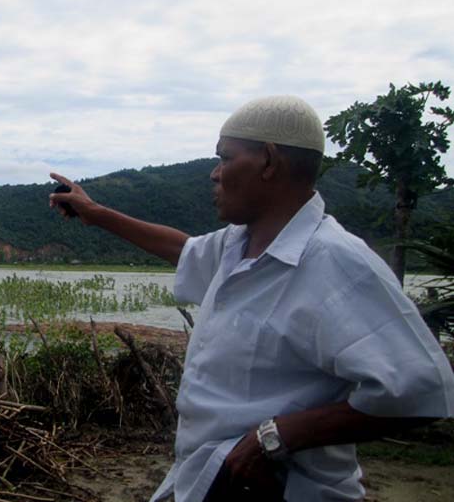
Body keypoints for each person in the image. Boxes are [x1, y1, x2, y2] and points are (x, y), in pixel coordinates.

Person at [49, 95, 454, 502]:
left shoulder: (336, 262)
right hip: (211, 479)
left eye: (224, 157)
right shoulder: (238, 246)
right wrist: (95, 213)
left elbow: (421, 389)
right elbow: (184, 249)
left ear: (269, 162)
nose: (214, 173)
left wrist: (276, 436)